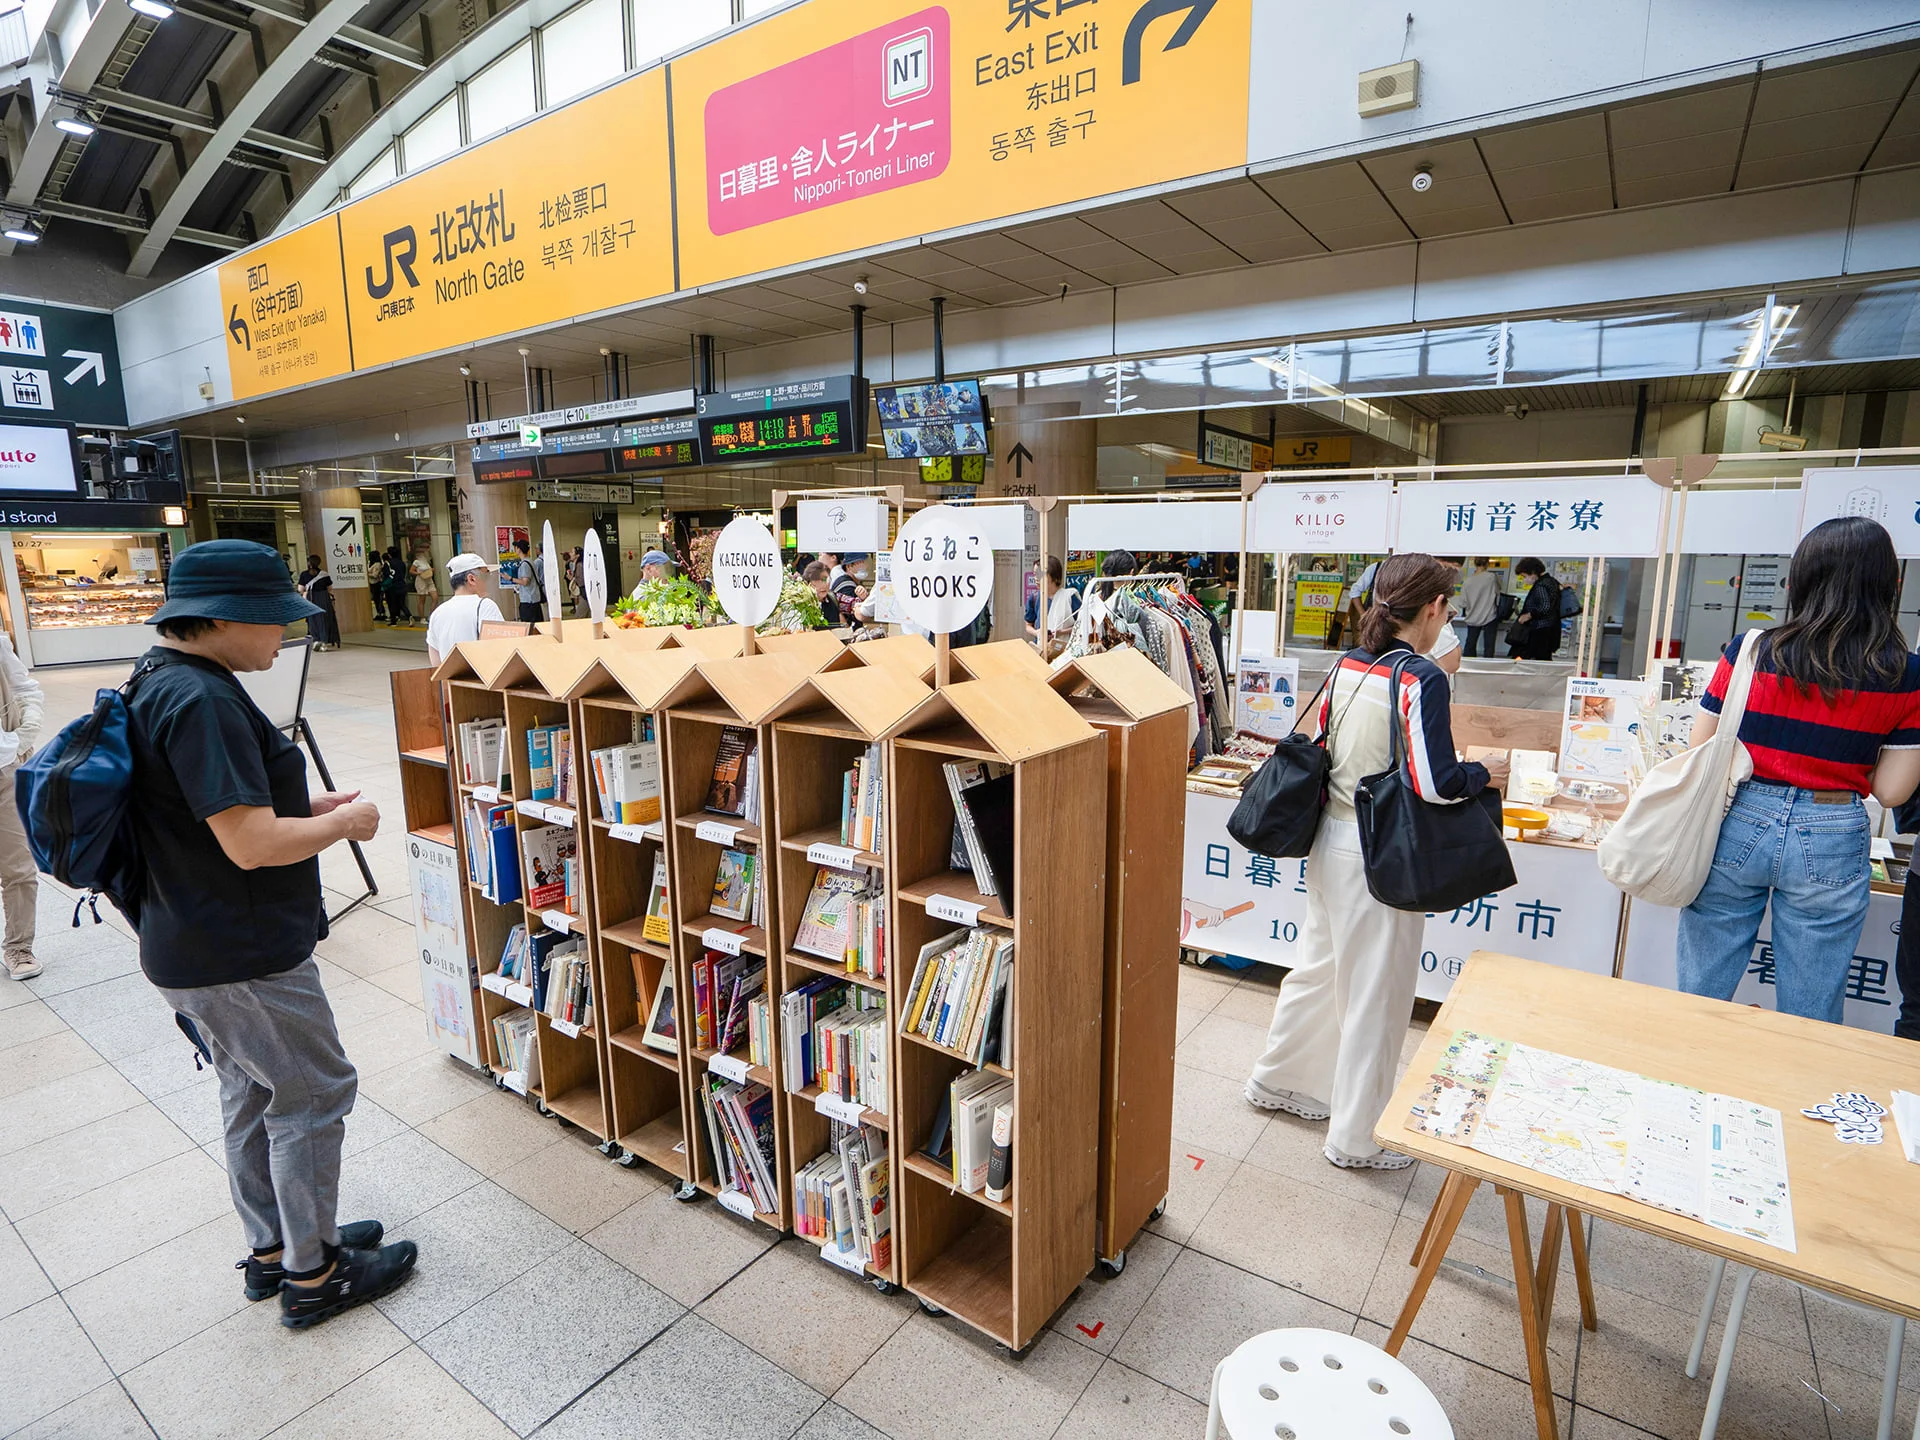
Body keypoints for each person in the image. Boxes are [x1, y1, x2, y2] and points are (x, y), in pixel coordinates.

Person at [125, 540, 415, 1326]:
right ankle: (316, 1275)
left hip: (189, 937)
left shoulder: (159, 679)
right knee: (315, 1093)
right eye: (276, 621)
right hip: (241, 951)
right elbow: (250, 845)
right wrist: (346, 823)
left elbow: (210, 817)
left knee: (252, 1092)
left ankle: (274, 1248)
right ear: (219, 617)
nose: (288, 636)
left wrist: (306, 812)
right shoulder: (205, 700)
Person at [1245, 552, 1504, 1170]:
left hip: (1329, 841)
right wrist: (1484, 773)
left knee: (1318, 968)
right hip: (1379, 854)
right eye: (1448, 607)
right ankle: (1358, 1136)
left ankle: (1281, 1081)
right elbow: (1435, 783)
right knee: (1377, 994)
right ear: (1434, 609)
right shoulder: (1421, 678)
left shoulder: (1349, 665)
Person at [1679, 517, 1920, 1024]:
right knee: (1810, 1007)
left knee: (1700, 990)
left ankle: (1685, 1083)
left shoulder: (1750, 650)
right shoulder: (1907, 674)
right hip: (1833, 830)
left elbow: (1700, 747)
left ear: (1802, 578)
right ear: (1888, 584)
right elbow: (1893, 791)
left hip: (1736, 818)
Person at [0, 629, 44, 980]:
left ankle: (18, 948)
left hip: (2, 769)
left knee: (18, 867)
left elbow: (25, 687)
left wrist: (24, 734)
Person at [425, 554, 506, 665]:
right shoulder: (485, 606)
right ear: (471, 579)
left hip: (450, 681)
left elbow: (436, 662)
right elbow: (499, 650)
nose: (490, 580)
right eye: (486, 575)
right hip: (479, 679)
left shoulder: (438, 613)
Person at [1505, 558, 1562, 660]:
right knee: (1543, 661)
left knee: (1528, 661)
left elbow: (1545, 606)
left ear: (1533, 573)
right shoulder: (1552, 582)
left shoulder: (1541, 585)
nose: (1524, 579)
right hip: (1550, 630)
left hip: (1538, 631)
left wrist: (1528, 615)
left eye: (1524, 576)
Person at [1024, 555, 1079, 658]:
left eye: (1040, 574)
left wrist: (1061, 632)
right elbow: (1028, 625)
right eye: (1035, 574)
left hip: (1065, 652)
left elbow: (1081, 625)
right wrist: (1037, 633)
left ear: (1053, 576)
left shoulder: (1070, 597)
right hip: (1040, 650)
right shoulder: (1035, 597)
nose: (1036, 578)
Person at [1458, 557, 1501, 658]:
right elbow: (1498, 592)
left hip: (1473, 617)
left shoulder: (1467, 581)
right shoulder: (1492, 577)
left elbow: (1462, 603)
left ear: (1474, 564)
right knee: (1489, 646)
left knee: (1470, 643)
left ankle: (1470, 666)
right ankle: (1488, 668)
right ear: (1487, 564)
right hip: (1490, 616)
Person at [301, 555, 339, 651]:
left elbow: (300, 589)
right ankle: (324, 643)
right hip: (323, 599)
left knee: (312, 621)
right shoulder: (324, 574)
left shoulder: (304, 574)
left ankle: (315, 642)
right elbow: (330, 589)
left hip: (310, 599)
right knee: (324, 621)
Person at [508, 538, 543, 622]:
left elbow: (525, 581)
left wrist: (510, 578)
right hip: (534, 599)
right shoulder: (530, 561)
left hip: (528, 600)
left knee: (530, 625)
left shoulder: (524, 564)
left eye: (516, 547)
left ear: (519, 549)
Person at [801, 560, 836, 628]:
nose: (823, 585)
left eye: (825, 580)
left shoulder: (834, 599)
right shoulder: (801, 605)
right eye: (817, 580)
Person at [384, 547, 411, 626]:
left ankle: (393, 621)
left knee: (392, 603)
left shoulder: (388, 563)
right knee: (401, 603)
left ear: (389, 554)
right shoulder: (402, 563)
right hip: (401, 585)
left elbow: (386, 575)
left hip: (391, 586)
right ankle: (409, 616)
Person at [410, 548, 436, 619]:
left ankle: (431, 616)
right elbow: (411, 571)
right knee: (422, 599)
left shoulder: (426, 561)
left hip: (429, 580)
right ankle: (422, 617)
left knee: (435, 597)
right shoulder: (416, 562)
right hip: (421, 581)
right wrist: (418, 573)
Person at [365, 552, 387, 623]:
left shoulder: (377, 564)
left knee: (378, 599)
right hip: (371, 583)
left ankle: (381, 613)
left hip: (377, 583)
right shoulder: (370, 564)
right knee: (375, 599)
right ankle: (379, 612)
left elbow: (375, 575)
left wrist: (366, 574)